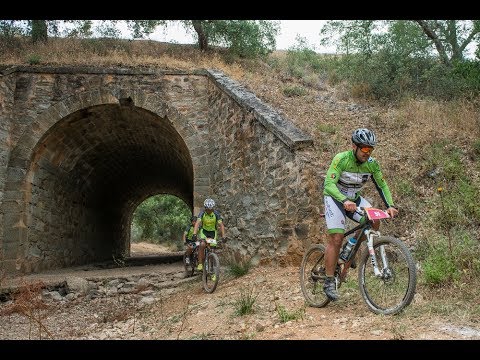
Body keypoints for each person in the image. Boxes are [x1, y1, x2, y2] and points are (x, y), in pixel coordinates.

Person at [322, 128, 398, 301]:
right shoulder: (341, 159)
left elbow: (382, 185)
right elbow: (328, 184)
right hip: (335, 198)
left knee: (375, 220)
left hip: (354, 199)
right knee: (336, 238)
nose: (367, 152)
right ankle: (328, 281)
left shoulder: (372, 164)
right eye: (364, 148)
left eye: (370, 149)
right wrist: (343, 200)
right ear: (354, 146)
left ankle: (352, 244)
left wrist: (390, 205)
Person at [192, 198, 225, 275]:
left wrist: (223, 236)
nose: (210, 211)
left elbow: (221, 225)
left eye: (211, 209)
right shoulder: (202, 213)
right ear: (205, 208)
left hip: (213, 232)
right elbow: (197, 223)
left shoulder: (216, 214)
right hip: (204, 232)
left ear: (213, 208)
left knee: (212, 250)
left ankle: (212, 270)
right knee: (202, 244)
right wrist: (194, 233)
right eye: (208, 209)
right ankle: (200, 264)